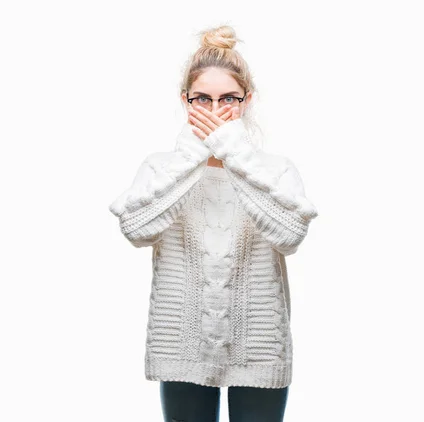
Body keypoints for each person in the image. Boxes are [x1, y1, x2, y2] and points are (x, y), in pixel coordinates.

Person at [108, 25, 318, 422]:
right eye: (202, 98)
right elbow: (136, 228)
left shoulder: (274, 170)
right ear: (185, 100)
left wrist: (235, 156)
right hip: (182, 344)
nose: (215, 109)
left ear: (247, 100)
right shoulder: (162, 168)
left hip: (258, 345)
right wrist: (192, 156)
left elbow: (290, 235)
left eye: (228, 99)